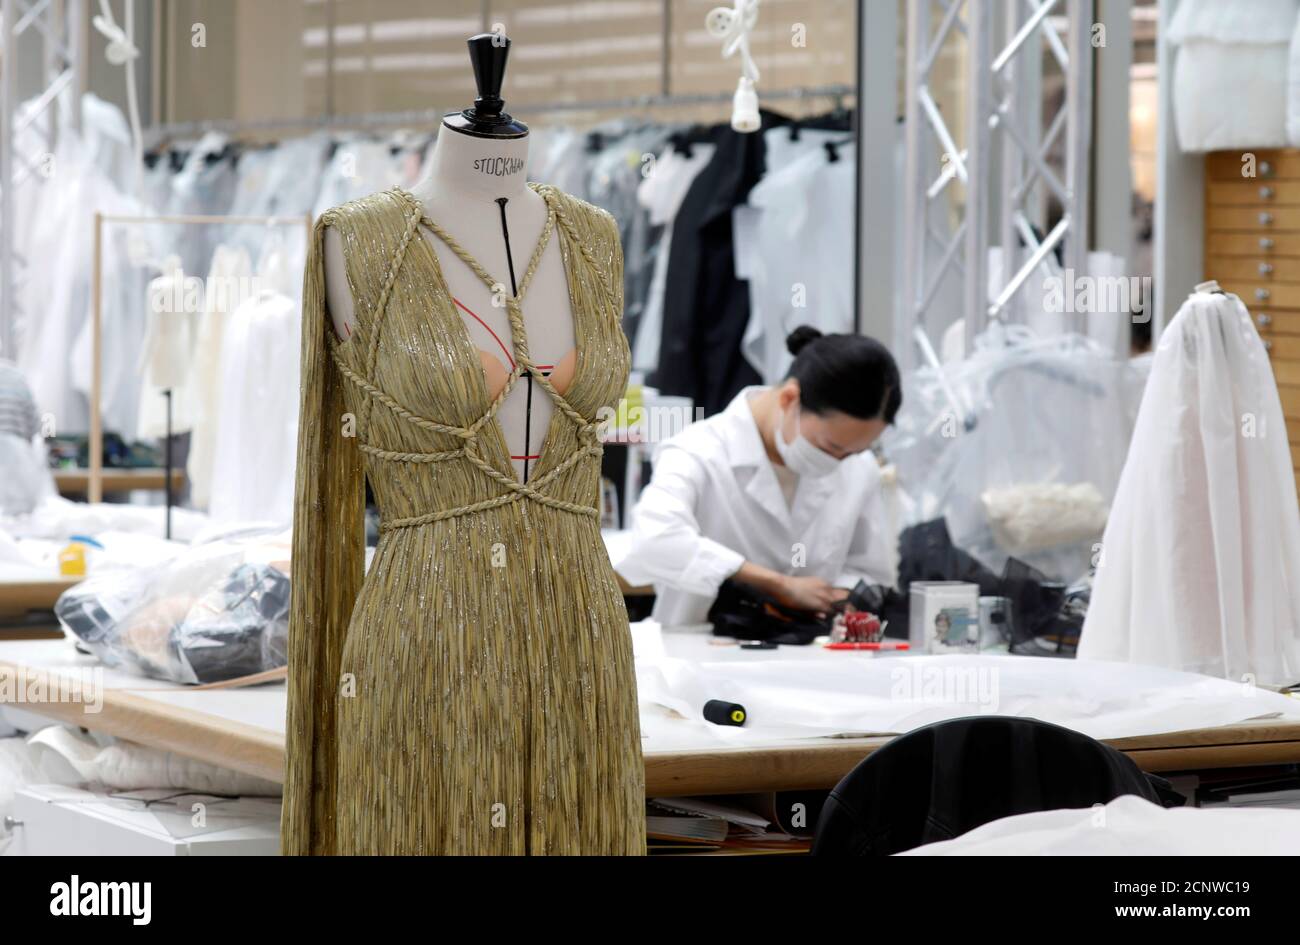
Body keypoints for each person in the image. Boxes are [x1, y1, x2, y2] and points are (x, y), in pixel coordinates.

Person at [619, 325, 901, 627]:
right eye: (830, 446)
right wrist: (777, 585)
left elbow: (869, 569)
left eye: (855, 452)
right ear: (789, 399)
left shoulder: (859, 468)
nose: (840, 462)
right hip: (700, 657)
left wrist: (842, 597)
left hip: (815, 659)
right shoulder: (697, 451)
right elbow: (655, 540)